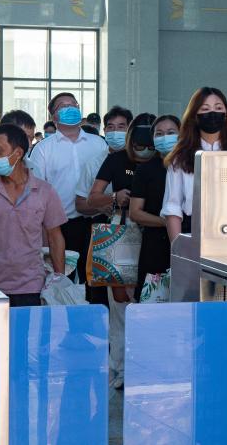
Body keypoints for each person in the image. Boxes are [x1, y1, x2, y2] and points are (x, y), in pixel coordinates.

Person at [79, 112, 156, 389]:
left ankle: (148, 365)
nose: (144, 148)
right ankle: (120, 367)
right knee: (120, 304)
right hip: (122, 233)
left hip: (158, 235)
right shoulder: (115, 160)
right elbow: (92, 198)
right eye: (138, 142)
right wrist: (115, 197)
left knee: (153, 301)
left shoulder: (168, 161)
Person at [0, 124, 67, 307]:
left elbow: (55, 236)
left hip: (33, 285)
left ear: (18, 153)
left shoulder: (44, 191)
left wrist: (59, 280)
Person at [161, 86, 227, 253]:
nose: (212, 113)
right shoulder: (181, 155)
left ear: (226, 114)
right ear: (194, 115)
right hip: (192, 232)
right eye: (205, 109)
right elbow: (172, 208)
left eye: (218, 108)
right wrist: (178, 251)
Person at [29, 93, 108, 287]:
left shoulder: (98, 143)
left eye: (74, 104)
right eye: (63, 106)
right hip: (61, 225)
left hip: (96, 220)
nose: (70, 108)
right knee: (64, 280)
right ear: (53, 116)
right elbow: (38, 191)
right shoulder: (43, 149)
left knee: (96, 281)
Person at [129, 115, 180, 302]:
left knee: (185, 304)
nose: (165, 137)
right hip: (155, 245)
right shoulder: (146, 169)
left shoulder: (192, 166)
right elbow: (135, 212)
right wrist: (168, 222)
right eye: (159, 133)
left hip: (186, 246)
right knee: (152, 306)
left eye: (171, 132)